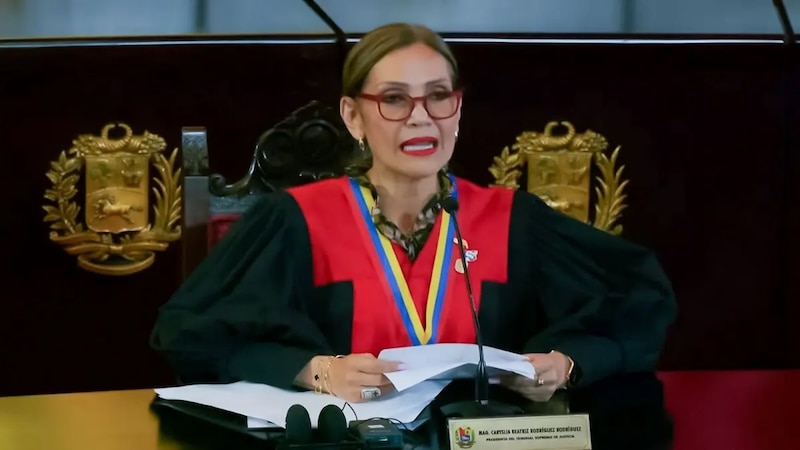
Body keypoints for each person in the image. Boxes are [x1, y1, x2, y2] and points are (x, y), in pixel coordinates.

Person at [150, 23, 677, 405]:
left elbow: (638, 302)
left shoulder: (514, 220)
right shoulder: (296, 221)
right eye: (395, 99)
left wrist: (564, 364)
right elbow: (190, 332)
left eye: (438, 97)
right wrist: (314, 371)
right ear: (353, 116)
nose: (421, 118)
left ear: (459, 108)